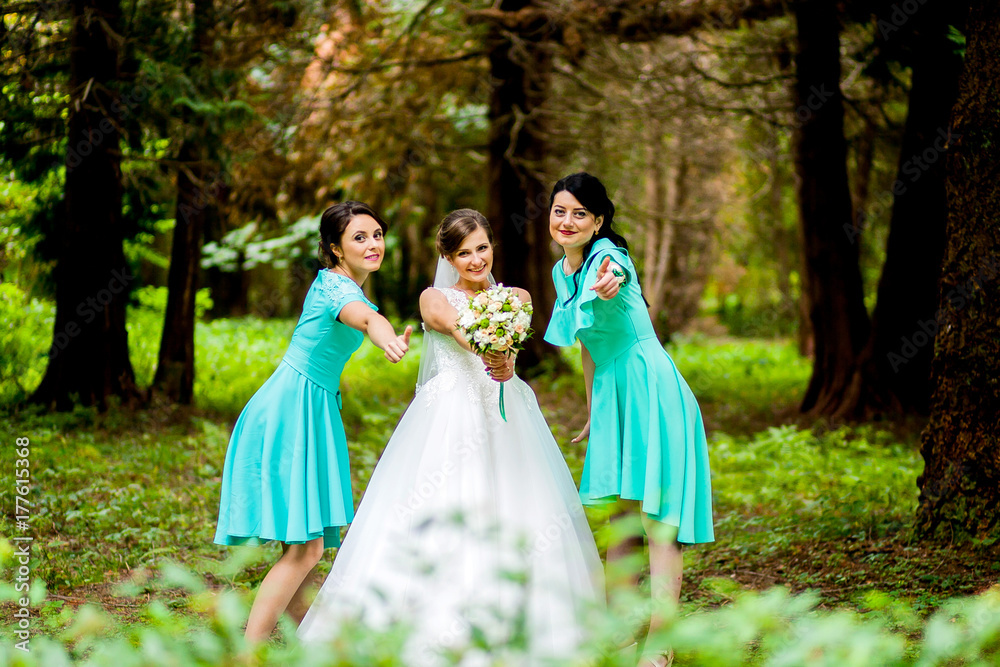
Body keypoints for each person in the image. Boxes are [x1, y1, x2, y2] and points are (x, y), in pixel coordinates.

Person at [298, 209, 604, 665]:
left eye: (482, 248)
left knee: (521, 504)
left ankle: (531, 619)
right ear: (447, 256)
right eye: (464, 253)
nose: (476, 259)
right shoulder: (433, 298)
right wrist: (487, 349)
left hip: (507, 411)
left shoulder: (515, 296)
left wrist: (507, 363)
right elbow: (461, 333)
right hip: (449, 414)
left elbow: (512, 348)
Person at [214, 201, 412, 643]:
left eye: (377, 234)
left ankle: (298, 643)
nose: (373, 244)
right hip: (291, 410)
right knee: (307, 547)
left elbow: (366, 313)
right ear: (335, 249)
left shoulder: (344, 287)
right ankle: (250, 653)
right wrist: (386, 341)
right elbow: (366, 320)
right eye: (359, 237)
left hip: (312, 406)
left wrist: (380, 330)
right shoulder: (335, 291)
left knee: (304, 544)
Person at [543, 173, 714, 667]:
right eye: (560, 211)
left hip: (650, 387)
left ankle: (661, 646)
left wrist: (610, 281)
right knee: (620, 520)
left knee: (656, 521)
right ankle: (617, 634)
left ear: (598, 222)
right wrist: (595, 409)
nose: (568, 221)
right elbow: (589, 346)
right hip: (613, 394)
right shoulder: (561, 272)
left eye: (580, 213)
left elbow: (611, 280)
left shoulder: (608, 259)